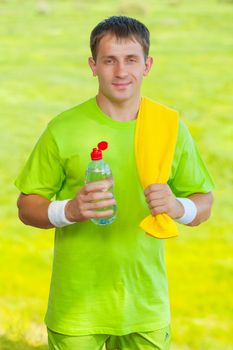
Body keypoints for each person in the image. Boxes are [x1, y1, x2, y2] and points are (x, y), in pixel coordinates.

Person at [15, 16, 214, 350]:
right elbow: (26, 206)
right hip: (77, 309)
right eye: (109, 60)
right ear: (93, 66)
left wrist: (179, 207)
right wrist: (70, 210)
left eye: (131, 60)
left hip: (145, 307)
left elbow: (204, 203)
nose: (121, 72)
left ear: (147, 65)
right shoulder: (63, 128)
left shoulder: (168, 126)